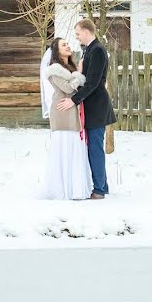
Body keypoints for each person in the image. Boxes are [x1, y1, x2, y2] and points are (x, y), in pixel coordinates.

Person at [56, 19, 116, 199]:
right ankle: (101, 186)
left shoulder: (97, 50)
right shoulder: (89, 49)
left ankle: (99, 190)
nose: (76, 37)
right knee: (92, 148)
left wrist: (73, 101)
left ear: (87, 31)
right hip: (91, 106)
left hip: (97, 107)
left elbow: (93, 83)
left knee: (95, 149)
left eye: (78, 33)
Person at [41, 37, 93, 200]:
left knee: (75, 149)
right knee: (64, 148)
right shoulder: (54, 69)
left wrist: (77, 73)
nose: (68, 46)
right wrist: (80, 74)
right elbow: (68, 88)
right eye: (64, 45)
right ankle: (61, 190)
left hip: (72, 110)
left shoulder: (69, 68)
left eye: (68, 44)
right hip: (62, 111)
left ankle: (74, 189)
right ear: (56, 50)